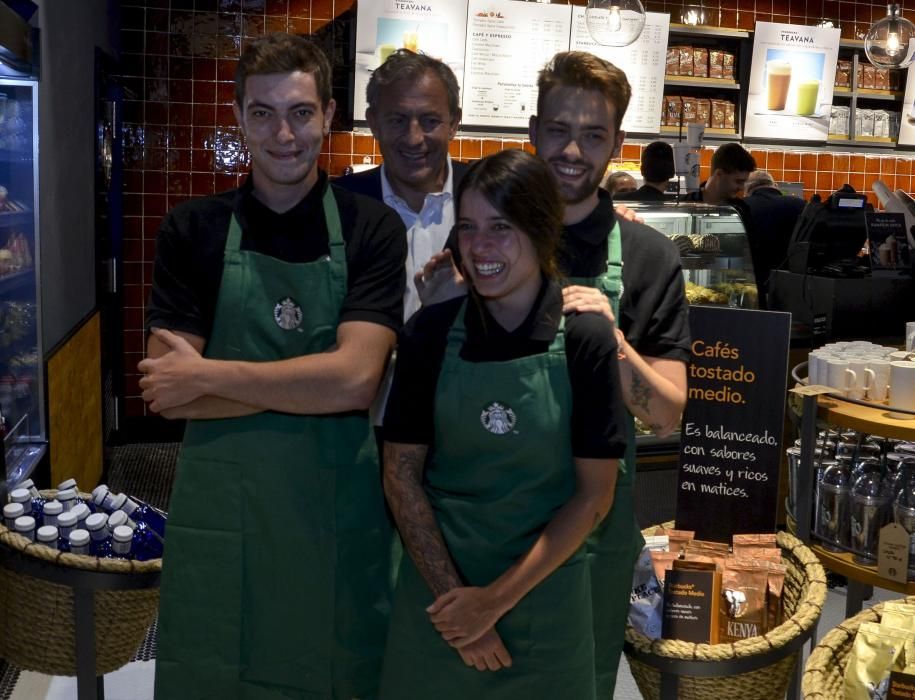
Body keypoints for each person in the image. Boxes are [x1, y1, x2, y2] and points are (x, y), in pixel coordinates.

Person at [138, 34, 407, 699]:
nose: (282, 133)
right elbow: (168, 392)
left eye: (300, 112)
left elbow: (356, 381)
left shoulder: (371, 228)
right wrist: (310, 384)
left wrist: (211, 375)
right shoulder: (192, 229)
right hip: (222, 520)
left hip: (331, 518)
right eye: (262, 113)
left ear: (329, 115)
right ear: (238, 117)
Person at [418, 52, 690, 696]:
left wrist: (614, 341)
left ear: (617, 144)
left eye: (593, 135)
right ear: (533, 132)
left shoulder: (649, 257)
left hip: (585, 535)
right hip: (472, 527)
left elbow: (668, 413)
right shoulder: (481, 243)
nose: (572, 150)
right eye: (559, 130)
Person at [380, 148, 628, 699]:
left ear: (541, 231)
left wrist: (492, 602)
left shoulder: (584, 339)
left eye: (501, 227)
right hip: (439, 600)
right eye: (467, 227)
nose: (480, 247)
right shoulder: (429, 334)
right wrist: (460, 608)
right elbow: (400, 474)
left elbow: (594, 498)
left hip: (545, 603)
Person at [335, 49, 469, 322]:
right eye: (398, 120)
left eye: (430, 121)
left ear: (453, 123)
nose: (413, 138)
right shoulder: (338, 205)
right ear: (373, 123)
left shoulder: (491, 197)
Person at [743, 170, 806, 308]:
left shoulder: (743, 206)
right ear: (775, 185)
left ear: (747, 189)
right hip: (795, 287)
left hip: (754, 286)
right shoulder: (801, 205)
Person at [684, 141, 756, 205]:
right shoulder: (685, 203)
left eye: (744, 182)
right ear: (719, 174)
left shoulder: (740, 208)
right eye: (738, 181)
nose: (742, 188)